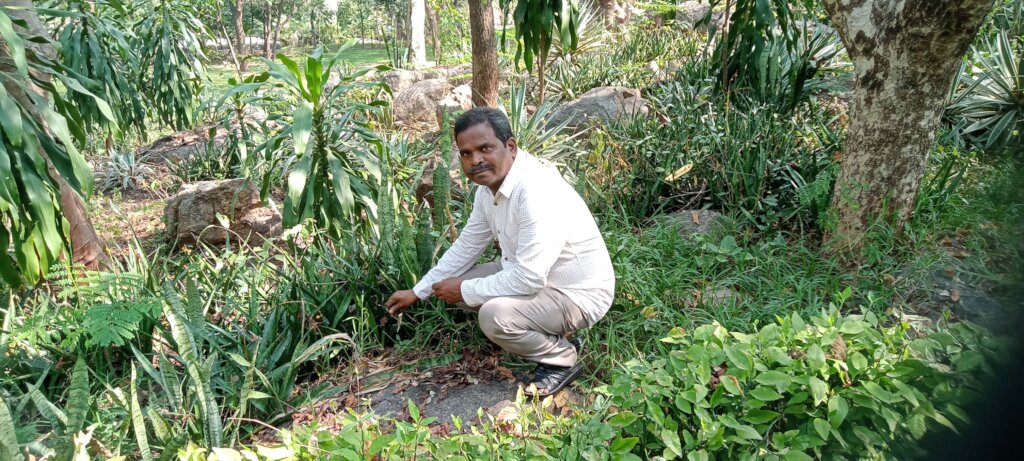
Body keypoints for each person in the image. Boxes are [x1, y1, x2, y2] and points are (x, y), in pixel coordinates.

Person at [385, 107, 615, 397]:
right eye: (466, 153)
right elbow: (467, 245)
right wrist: (419, 291)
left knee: (493, 314)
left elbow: (529, 278)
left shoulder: (535, 192)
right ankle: (543, 331)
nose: (475, 160)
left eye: (485, 148)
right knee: (453, 282)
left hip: (576, 294)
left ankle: (561, 359)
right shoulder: (489, 188)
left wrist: (466, 290)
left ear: (510, 146)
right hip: (534, 277)